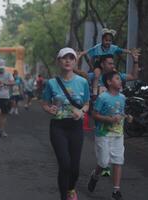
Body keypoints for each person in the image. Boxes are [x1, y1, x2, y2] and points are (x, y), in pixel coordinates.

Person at [41, 47, 90, 200]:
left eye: (71, 58)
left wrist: (81, 112)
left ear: (75, 61)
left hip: (76, 127)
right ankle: (64, 197)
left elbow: (87, 103)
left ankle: (71, 189)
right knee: (65, 164)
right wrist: (50, 109)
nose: (68, 60)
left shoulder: (82, 82)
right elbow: (45, 103)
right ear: (59, 61)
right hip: (58, 127)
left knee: (74, 168)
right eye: (64, 58)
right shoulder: (52, 83)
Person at [88, 71, 129, 200]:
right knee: (104, 162)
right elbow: (94, 114)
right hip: (103, 134)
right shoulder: (103, 97)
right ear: (109, 82)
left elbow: (121, 113)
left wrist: (127, 117)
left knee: (118, 160)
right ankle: (95, 176)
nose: (120, 80)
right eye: (117, 78)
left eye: (120, 78)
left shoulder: (122, 98)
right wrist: (108, 119)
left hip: (118, 134)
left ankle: (116, 191)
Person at [78, 28, 139, 97]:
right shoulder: (97, 47)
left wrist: (131, 53)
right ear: (102, 40)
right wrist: (80, 54)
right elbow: (88, 51)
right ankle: (94, 91)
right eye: (106, 40)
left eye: (110, 41)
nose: (108, 42)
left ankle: (119, 90)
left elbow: (122, 50)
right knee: (97, 74)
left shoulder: (113, 48)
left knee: (116, 75)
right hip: (98, 64)